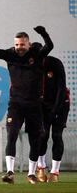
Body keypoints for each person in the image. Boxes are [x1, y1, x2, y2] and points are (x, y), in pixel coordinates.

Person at [0, 26, 54, 184]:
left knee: (36, 140)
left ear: (28, 44)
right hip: (16, 104)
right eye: (17, 44)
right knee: (12, 135)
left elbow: (50, 46)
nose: (19, 47)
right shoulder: (10, 55)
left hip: (34, 105)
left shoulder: (37, 55)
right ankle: (10, 173)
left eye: (22, 44)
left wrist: (43, 33)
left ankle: (32, 174)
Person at [35, 52, 70, 183]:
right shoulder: (30, 65)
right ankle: (41, 167)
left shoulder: (55, 63)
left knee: (56, 135)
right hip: (42, 105)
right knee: (42, 135)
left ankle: (55, 172)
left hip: (60, 103)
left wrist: (54, 111)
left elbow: (61, 89)